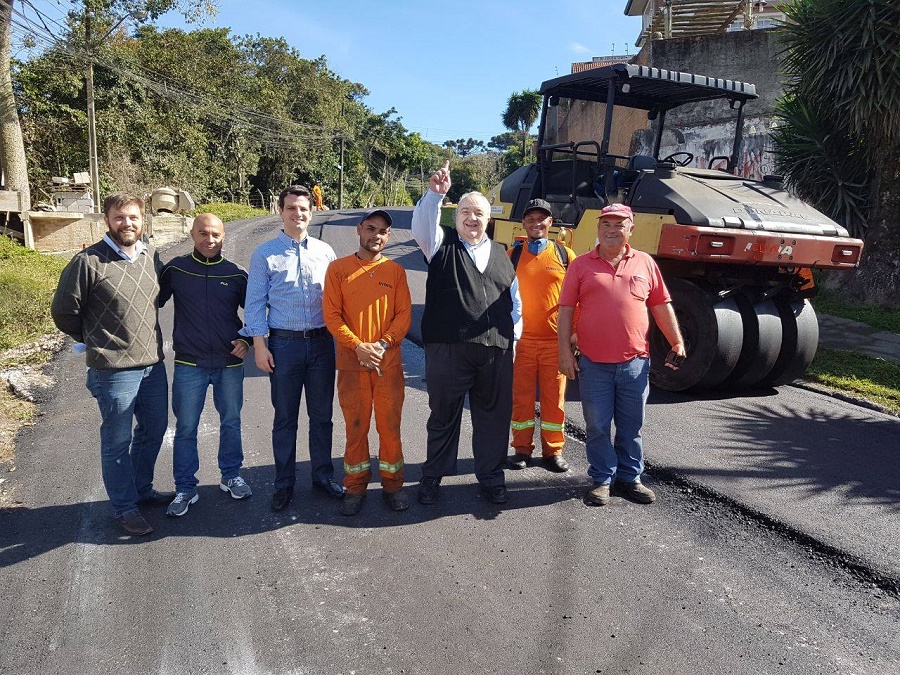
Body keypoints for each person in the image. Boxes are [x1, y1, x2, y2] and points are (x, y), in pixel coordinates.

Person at [51, 193, 171, 535]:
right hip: (113, 370)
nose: (127, 223)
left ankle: (142, 489)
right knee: (117, 441)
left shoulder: (150, 257)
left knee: (154, 430)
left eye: (133, 217)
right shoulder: (87, 262)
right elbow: (63, 312)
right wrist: (94, 339)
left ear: (142, 220)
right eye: (119, 217)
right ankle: (124, 508)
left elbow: (158, 298)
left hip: (152, 365)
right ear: (107, 221)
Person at [557, 203, 685, 506]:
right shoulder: (581, 265)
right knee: (597, 426)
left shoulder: (645, 263)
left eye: (618, 225)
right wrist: (564, 352)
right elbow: (566, 310)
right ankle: (602, 479)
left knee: (631, 426)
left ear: (631, 229)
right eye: (606, 224)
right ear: (598, 228)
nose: (611, 230)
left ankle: (630, 478)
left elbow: (660, 305)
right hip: (593, 364)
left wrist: (677, 341)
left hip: (635, 364)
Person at [411, 160, 522, 505]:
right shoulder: (439, 244)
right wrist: (435, 195)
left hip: (496, 351)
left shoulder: (503, 254)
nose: (472, 218)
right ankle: (432, 476)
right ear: (455, 216)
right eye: (465, 212)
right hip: (448, 348)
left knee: (494, 418)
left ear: (489, 219)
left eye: (479, 213)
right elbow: (422, 225)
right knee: (443, 415)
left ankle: (491, 477)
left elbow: (515, 303)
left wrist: (513, 340)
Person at [242, 184, 343, 512]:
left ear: (311, 213)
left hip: (322, 344)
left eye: (303, 209)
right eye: (291, 208)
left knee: (322, 416)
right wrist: (259, 346)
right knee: (285, 418)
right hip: (284, 345)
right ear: (280, 211)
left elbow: (337, 299)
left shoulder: (325, 252)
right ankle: (284, 483)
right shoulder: (265, 254)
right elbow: (254, 304)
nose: (297, 214)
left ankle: (322, 476)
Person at [158, 213, 251, 517]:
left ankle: (231, 475)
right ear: (192, 234)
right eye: (203, 233)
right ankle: (185, 488)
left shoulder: (237, 274)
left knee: (231, 421)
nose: (209, 240)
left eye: (215, 234)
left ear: (223, 236)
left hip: (229, 363)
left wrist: (247, 340)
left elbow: (256, 312)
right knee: (186, 427)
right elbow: (149, 301)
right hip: (189, 363)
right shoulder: (176, 269)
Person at [323, 209, 412, 516]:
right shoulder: (338, 270)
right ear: (359, 229)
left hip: (388, 365)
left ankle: (393, 485)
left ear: (389, 236)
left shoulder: (395, 272)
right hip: (352, 365)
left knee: (390, 428)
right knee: (356, 428)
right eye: (371, 228)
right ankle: (355, 486)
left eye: (383, 231)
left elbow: (403, 315)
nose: (376, 235)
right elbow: (332, 316)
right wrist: (358, 346)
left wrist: (382, 344)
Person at [508, 198, 577, 473]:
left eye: (541, 218)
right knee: (521, 399)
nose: (536, 223)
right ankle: (521, 449)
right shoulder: (512, 255)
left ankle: (553, 451)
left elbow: (578, 298)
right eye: (531, 218)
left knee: (554, 399)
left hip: (554, 343)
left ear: (550, 222)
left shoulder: (565, 255)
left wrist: (574, 334)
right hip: (522, 342)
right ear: (524, 223)